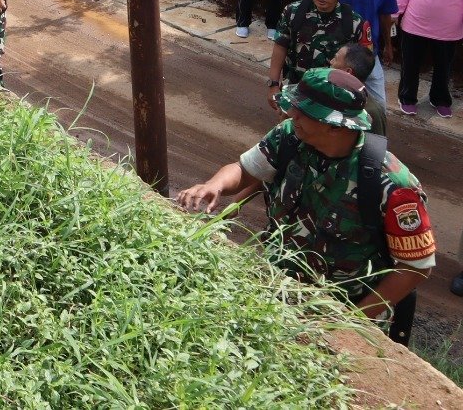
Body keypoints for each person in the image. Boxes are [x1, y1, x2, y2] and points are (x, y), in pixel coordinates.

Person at [176, 67, 434, 344]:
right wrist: (214, 185)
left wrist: (353, 320)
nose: (291, 115)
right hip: (276, 296)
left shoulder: (393, 186)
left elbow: (415, 266)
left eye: (303, 112)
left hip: (341, 315)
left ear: (335, 126)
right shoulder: (289, 137)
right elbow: (245, 169)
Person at [267, 0, 367, 112]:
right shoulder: (293, 12)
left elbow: (359, 63)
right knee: (289, 128)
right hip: (295, 87)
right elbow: (280, 46)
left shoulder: (353, 22)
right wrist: (273, 84)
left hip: (332, 94)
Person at [340, 0, 396, 108]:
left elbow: (385, 18)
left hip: (370, 53)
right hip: (341, 54)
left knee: (379, 106)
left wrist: (388, 45)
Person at [332, 42, 387, 138]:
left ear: (348, 72)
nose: (331, 62)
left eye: (335, 59)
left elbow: (374, 150)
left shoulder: (371, 112)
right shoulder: (329, 90)